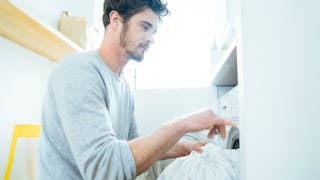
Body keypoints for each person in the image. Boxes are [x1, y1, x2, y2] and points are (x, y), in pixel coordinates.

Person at [38, 0, 236, 179]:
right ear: (115, 20)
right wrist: (182, 125)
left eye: (154, 31)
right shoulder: (79, 71)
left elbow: (129, 145)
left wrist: (183, 148)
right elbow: (105, 168)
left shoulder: (123, 85)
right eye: (145, 27)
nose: (151, 38)